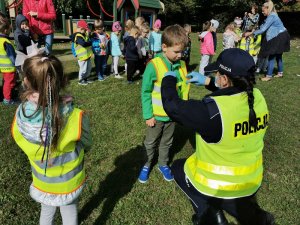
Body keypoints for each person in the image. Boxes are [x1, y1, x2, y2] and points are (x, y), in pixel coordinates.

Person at [161, 48, 275, 225]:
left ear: (224, 78)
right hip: (251, 180)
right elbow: (235, 92)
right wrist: (208, 81)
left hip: (217, 184)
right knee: (238, 201)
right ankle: (255, 215)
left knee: (177, 168)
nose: (216, 76)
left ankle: (210, 216)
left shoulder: (213, 112)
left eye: (217, 74)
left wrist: (168, 80)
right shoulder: (258, 97)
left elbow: (173, 107)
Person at [11, 54, 92, 225]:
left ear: (26, 82)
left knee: (46, 212)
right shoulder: (75, 116)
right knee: (69, 213)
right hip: (69, 183)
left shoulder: (21, 115)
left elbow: (21, 140)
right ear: (62, 81)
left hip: (43, 181)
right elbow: (87, 143)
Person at [139, 24, 190, 183]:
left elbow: (182, 88)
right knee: (151, 142)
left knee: (167, 142)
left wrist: (182, 110)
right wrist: (148, 115)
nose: (180, 55)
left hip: (172, 116)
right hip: (156, 116)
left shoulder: (181, 65)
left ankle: (162, 163)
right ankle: (147, 164)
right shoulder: (154, 66)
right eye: (176, 52)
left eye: (182, 51)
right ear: (164, 47)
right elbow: (146, 92)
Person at [244, 1, 290, 81]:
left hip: (279, 36)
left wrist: (251, 33)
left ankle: (268, 76)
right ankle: (280, 73)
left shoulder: (272, 16)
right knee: (278, 56)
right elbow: (262, 26)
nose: (262, 12)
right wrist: (254, 30)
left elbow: (263, 29)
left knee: (272, 55)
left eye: (263, 10)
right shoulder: (271, 16)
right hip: (282, 35)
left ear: (268, 8)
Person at [0, 16, 17, 105]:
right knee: (9, 83)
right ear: (5, 30)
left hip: (2, 66)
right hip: (9, 67)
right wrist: (17, 65)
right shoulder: (6, 41)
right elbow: (11, 56)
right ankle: (7, 99)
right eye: (10, 29)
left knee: (6, 82)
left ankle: (8, 96)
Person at [70, 20, 93, 85]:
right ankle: (80, 80)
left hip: (87, 56)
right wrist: (91, 43)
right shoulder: (78, 36)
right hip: (82, 56)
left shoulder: (83, 34)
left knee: (88, 68)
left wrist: (88, 36)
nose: (86, 31)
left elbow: (86, 40)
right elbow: (83, 44)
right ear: (81, 29)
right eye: (85, 30)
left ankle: (86, 78)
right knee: (83, 69)